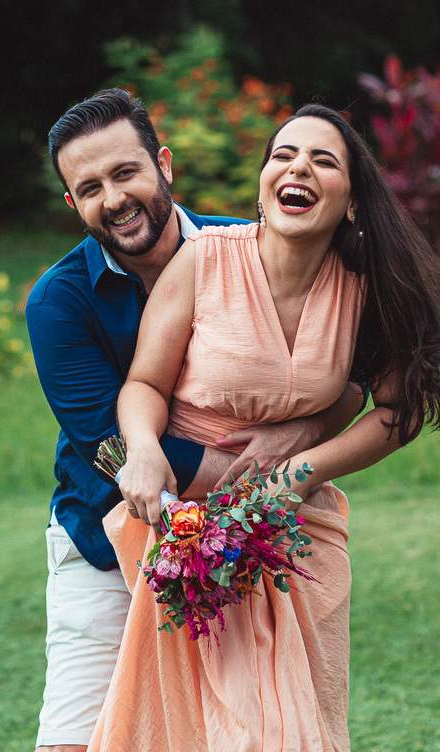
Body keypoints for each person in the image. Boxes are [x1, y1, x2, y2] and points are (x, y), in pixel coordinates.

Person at [90, 104, 440, 751]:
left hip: (297, 535)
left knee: (292, 733)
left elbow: (398, 412)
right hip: (194, 532)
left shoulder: (368, 289)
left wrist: (299, 470)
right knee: (198, 733)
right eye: (283, 155)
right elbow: (144, 384)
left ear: (353, 202)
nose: (298, 167)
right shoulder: (204, 261)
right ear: (262, 186)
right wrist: (141, 449)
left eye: (322, 160)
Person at [26, 91, 367, 752]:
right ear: (73, 204)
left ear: (164, 164)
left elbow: (338, 368)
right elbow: (110, 446)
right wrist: (264, 482)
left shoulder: (248, 248)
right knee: (71, 741)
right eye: (90, 188)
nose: (114, 198)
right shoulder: (58, 302)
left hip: (240, 550)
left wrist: (291, 445)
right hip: (103, 541)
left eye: (126, 173)